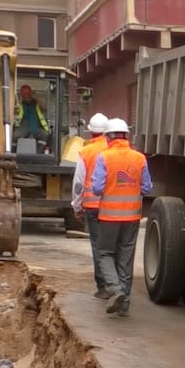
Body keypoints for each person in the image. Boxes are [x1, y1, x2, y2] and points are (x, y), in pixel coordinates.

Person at [90, 118, 152, 317]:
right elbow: (146, 187)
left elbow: (98, 188)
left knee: (105, 254)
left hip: (109, 216)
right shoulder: (139, 158)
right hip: (132, 217)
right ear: (126, 136)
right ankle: (124, 306)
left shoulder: (104, 157)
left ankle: (115, 289)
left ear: (108, 137)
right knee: (126, 258)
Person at [72, 112, 111, 299]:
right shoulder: (113, 150)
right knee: (114, 246)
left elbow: (78, 183)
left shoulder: (86, 151)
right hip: (113, 208)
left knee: (98, 246)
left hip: (93, 208)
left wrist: (76, 206)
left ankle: (103, 286)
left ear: (91, 133)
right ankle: (117, 284)